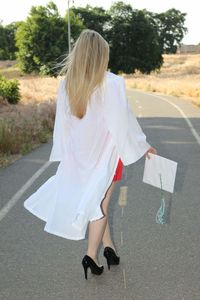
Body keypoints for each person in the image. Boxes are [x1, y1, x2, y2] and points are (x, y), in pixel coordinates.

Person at [23, 29, 157, 280]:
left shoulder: (67, 83)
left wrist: (64, 155)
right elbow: (121, 122)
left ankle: (110, 251)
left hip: (78, 155)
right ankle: (90, 255)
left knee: (96, 202)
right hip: (105, 155)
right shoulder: (112, 82)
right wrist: (142, 144)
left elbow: (61, 125)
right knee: (101, 204)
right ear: (100, 56)